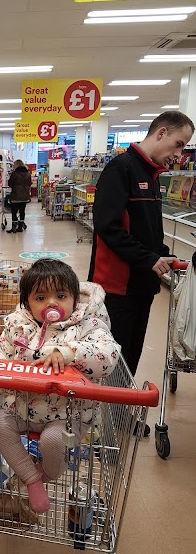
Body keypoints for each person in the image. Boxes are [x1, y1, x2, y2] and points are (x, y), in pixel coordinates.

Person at [0, 259, 120, 513]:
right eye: (40, 297)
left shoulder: (87, 325)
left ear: (74, 299)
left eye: (60, 295)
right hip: (22, 406)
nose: (51, 303)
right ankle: (33, 479)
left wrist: (69, 352)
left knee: (52, 442)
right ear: (27, 303)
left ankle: (47, 473)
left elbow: (108, 355)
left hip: (69, 412)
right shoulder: (17, 325)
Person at [89, 111, 194, 384]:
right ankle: (104, 418)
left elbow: (145, 229)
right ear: (161, 133)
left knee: (131, 354)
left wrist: (162, 253)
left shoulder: (153, 175)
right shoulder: (121, 169)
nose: (179, 154)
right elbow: (107, 226)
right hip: (116, 288)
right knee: (112, 356)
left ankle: (121, 411)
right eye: (179, 144)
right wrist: (148, 258)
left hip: (142, 283)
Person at [7, 159, 31, 232]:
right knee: (22, 211)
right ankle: (20, 227)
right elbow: (30, 183)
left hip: (16, 195)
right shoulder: (28, 174)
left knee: (14, 211)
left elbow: (10, 183)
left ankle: (14, 227)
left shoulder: (15, 174)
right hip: (25, 196)